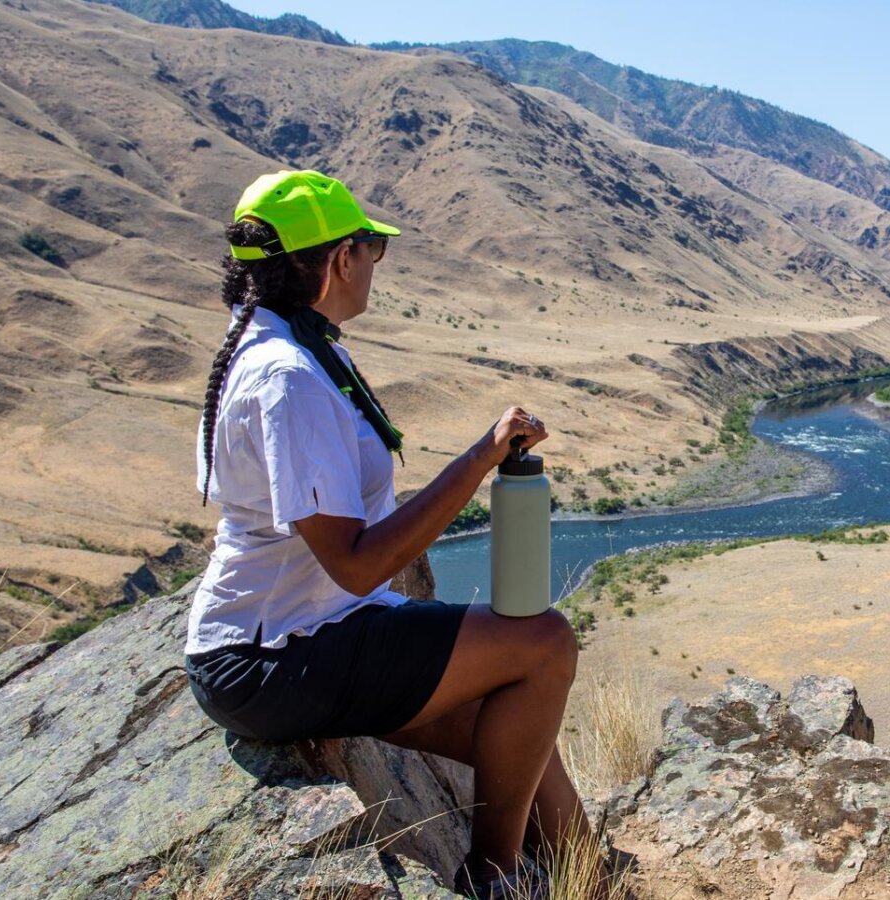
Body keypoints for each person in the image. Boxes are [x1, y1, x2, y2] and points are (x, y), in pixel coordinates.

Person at [185, 170, 590, 899]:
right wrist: (481, 457)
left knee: (517, 736)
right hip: (271, 658)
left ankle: (589, 877)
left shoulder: (295, 344)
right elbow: (356, 564)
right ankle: (493, 876)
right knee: (545, 643)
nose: (376, 262)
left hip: (303, 631)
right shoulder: (287, 376)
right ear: (341, 259)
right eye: (372, 248)